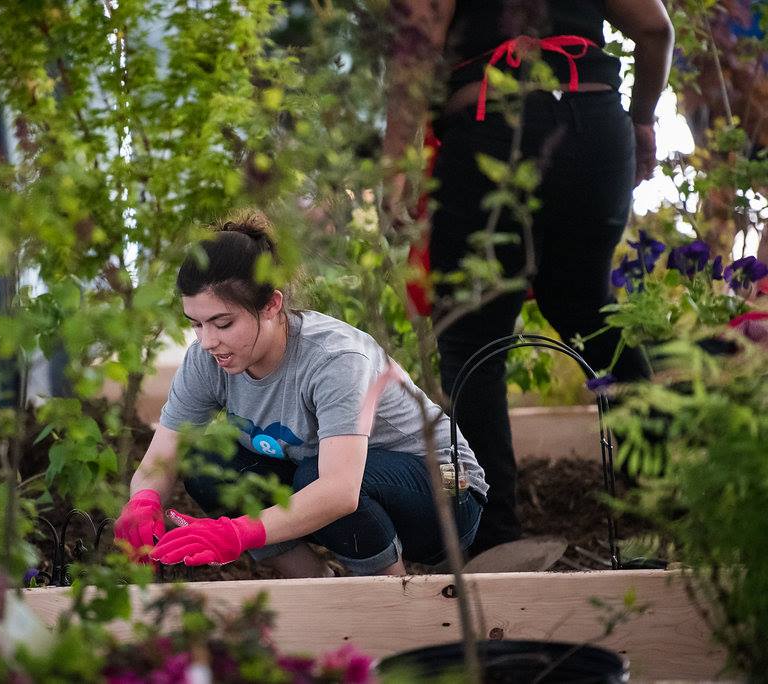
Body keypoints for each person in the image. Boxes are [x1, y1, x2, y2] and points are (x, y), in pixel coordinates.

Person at [383, 0, 674, 555]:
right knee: (589, 311)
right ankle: (658, 508)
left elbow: (418, 39)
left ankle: (494, 539)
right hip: (596, 133)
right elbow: (655, 28)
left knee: (472, 333)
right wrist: (641, 120)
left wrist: (397, 155)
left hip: (497, 127)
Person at [113, 213, 487, 577]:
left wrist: (239, 532)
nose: (208, 341)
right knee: (206, 463)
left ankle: (384, 598)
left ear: (272, 305)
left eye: (223, 323)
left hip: (447, 494)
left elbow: (340, 491)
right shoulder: (207, 359)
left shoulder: (335, 359)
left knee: (316, 479)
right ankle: (315, 584)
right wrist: (143, 503)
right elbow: (160, 459)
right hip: (339, 484)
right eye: (196, 324)